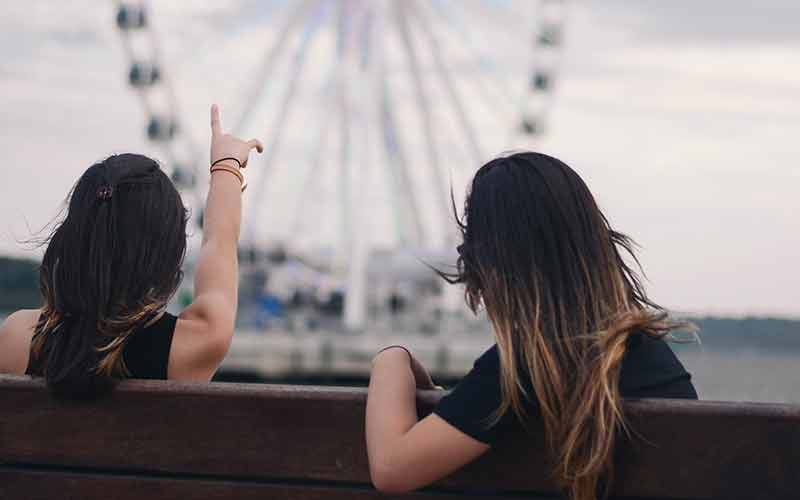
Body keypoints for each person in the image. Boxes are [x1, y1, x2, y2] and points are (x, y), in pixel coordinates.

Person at [366, 152, 697, 500]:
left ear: (491, 265)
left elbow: (392, 469)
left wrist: (391, 359)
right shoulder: (645, 352)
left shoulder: (526, 369)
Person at [0, 105, 262, 400]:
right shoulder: (192, 344)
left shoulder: (18, 338)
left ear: (72, 236)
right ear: (167, 254)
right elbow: (220, 243)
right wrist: (225, 167)